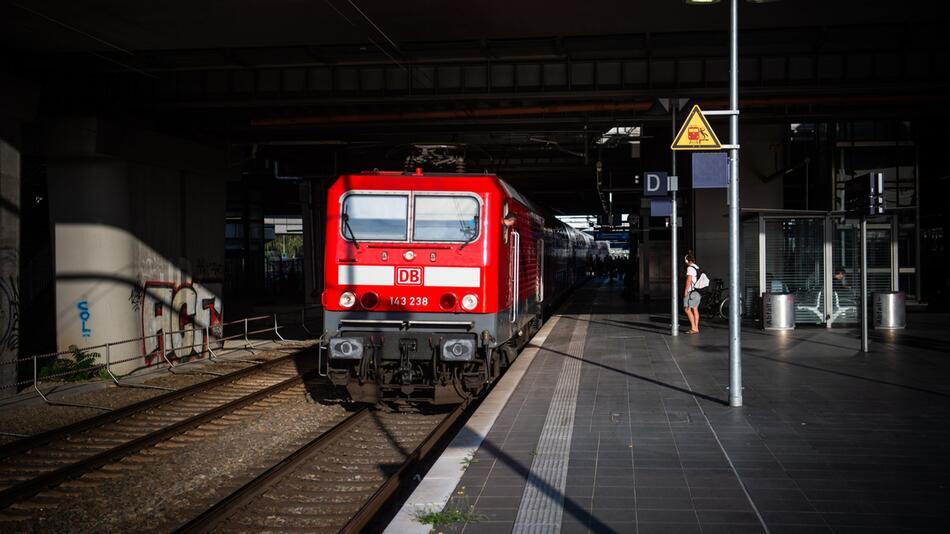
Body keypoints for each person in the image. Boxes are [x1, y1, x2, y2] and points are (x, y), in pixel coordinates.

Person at [683, 251, 701, 334]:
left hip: (692, 292)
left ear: (687, 260)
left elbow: (689, 280)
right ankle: (696, 327)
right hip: (697, 292)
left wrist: (686, 290)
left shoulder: (690, 268)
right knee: (695, 309)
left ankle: (694, 328)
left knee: (687, 309)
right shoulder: (697, 267)